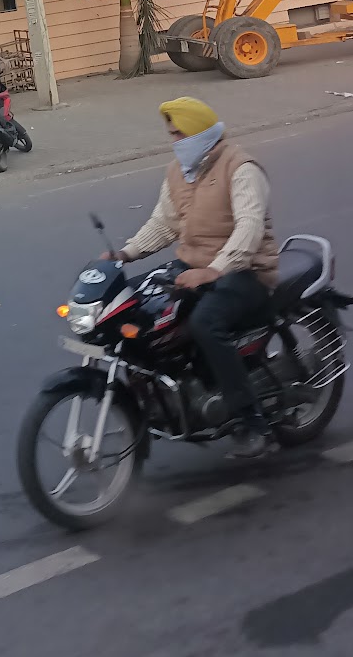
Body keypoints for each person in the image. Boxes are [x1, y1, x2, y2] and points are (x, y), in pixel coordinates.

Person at [111, 96, 279, 460]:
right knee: (133, 307)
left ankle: (252, 422)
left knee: (205, 323)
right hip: (195, 269)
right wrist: (124, 254)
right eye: (171, 134)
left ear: (201, 134)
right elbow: (163, 224)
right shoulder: (178, 172)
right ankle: (166, 395)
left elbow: (249, 229)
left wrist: (214, 270)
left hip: (247, 272)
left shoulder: (241, 168)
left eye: (179, 134)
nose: (174, 141)